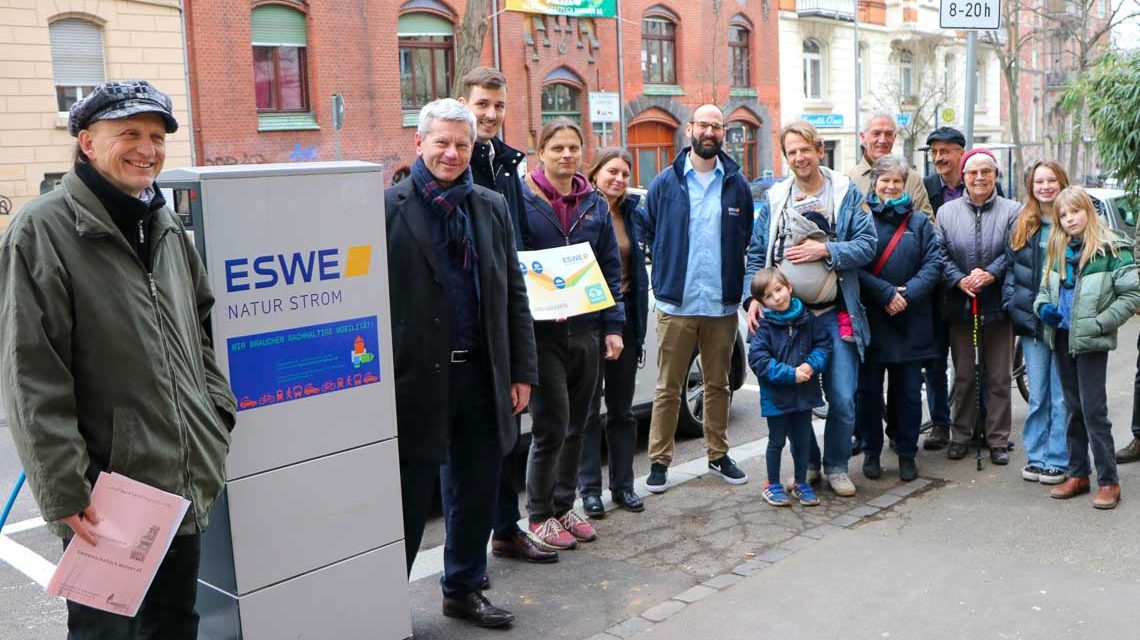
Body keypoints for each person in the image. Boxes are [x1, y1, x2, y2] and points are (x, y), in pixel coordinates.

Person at [0, 80, 236, 639]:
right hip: (105, 490)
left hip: (179, 477)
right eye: (129, 133)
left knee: (175, 623)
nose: (147, 149)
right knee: (107, 632)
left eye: (156, 136)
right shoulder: (42, 229)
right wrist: (63, 488)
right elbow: (32, 372)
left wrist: (214, 414)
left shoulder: (163, 221)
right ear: (86, 141)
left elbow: (199, 324)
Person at [386, 98, 538, 628]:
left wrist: (522, 372)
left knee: (476, 487)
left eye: (462, 144)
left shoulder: (491, 206)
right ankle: (386, 608)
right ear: (419, 143)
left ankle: (463, 588)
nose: (451, 153)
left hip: (482, 371)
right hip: (416, 380)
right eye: (442, 142)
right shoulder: (389, 208)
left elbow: (513, 293)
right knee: (407, 499)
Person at [744, 119, 877, 497]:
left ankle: (836, 466)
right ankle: (811, 464)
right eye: (792, 152)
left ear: (820, 150)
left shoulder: (845, 192)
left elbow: (868, 244)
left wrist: (827, 250)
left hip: (836, 312)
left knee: (842, 395)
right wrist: (752, 297)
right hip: (789, 320)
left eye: (806, 149)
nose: (800, 157)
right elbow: (757, 254)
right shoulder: (776, 198)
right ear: (786, 157)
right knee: (797, 401)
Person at [457, 67, 556, 567]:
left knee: (505, 437)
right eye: (482, 105)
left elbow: (519, 242)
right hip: (464, 331)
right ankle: (466, 561)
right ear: (464, 103)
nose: (491, 115)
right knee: (463, 457)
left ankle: (504, 529)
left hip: (505, 318)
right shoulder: (452, 159)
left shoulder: (505, 162)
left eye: (498, 106)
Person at [520, 118, 625, 550]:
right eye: (557, 148)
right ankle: (539, 513)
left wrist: (613, 326)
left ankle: (564, 507)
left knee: (580, 425)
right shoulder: (523, 199)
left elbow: (609, 268)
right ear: (541, 152)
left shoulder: (594, 204)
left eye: (573, 148)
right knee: (551, 426)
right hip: (542, 334)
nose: (566, 155)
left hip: (585, 328)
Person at [643, 104, 755, 493]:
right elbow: (647, 229)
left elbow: (747, 238)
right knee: (667, 387)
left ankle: (718, 454)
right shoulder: (664, 183)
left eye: (717, 126)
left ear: (724, 133)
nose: (710, 131)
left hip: (721, 305)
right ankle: (659, 462)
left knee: (718, 385)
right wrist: (662, 272)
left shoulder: (737, 184)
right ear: (689, 129)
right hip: (676, 305)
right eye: (703, 124)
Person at [1035, 185, 1140, 509]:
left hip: (1091, 341)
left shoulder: (1111, 250)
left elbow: (1132, 295)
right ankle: (1078, 473)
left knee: (1094, 409)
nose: (1069, 219)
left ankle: (1109, 480)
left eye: (1075, 211)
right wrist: (1043, 309)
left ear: (1088, 212)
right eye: (1063, 214)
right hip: (1062, 338)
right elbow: (1043, 291)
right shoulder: (1056, 248)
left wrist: (1100, 323)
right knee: (1072, 408)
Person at [935, 148, 1019, 464]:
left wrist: (990, 273)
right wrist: (960, 280)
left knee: (998, 375)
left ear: (996, 175)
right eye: (973, 173)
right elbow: (939, 254)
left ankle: (998, 439)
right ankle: (962, 434)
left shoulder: (1012, 210)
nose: (979, 178)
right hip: (961, 304)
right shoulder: (946, 212)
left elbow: (1014, 250)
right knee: (965, 375)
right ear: (964, 177)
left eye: (986, 171)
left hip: (998, 302)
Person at [578, 148, 649, 517]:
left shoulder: (632, 214)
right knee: (589, 410)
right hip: (589, 322)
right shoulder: (581, 210)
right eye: (612, 171)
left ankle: (623, 486)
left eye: (624, 173)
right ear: (595, 173)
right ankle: (589, 490)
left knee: (622, 410)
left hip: (624, 321)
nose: (619, 179)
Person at [1003, 160, 1071, 485]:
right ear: (1030, 187)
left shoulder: (1072, 221)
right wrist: (1012, 305)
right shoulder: (1023, 223)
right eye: (1038, 182)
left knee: (1060, 394)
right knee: (1038, 392)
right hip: (1031, 323)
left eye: (1051, 181)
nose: (1045, 187)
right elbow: (1009, 270)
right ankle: (1037, 455)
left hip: (1064, 322)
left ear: (1061, 183)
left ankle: (1058, 457)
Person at [748, 268, 831, 507]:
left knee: (802, 439)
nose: (777, 297)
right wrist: (791, 374)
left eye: (779, 289)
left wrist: (811, 365)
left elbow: (823, 344)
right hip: (777, 396)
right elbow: (760, 362)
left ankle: (800, 482)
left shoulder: (806, 318)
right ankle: (772, 484)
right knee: (776, 440)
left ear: (789, 288)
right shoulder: (763, 327)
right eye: (768, 296)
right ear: (761, 302)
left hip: (804, 392)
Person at [920, 126, 968, 450]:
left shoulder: (979, 181)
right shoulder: (925, 188)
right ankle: (939, 422)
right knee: (935, 361)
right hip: (936, 290)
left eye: (945, 152)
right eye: (934, 152)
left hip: (970, 287)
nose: (939, 158)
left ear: (960, 153)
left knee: (969, 363)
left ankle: (969, 423)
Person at [848, 111, 933, 218]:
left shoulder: (912, 178)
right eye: (876, 133)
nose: (883, 140)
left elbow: (928, 225)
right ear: (863, 136)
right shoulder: (850, 179)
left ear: (894, 137)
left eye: (888, 134)